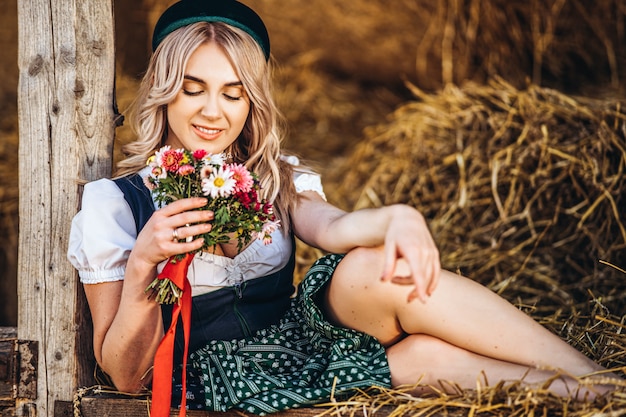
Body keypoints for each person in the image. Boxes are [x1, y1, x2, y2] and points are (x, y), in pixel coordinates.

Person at [67, 0, 622, 414]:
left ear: (251, 103)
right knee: (424, 354)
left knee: (366, 263)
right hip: (212, 371)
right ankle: (588, 394)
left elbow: (332, 227)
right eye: (195, 89)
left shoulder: (273, 174)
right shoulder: (116, 204)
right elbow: (122, 374)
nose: (214, 111)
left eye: (234, 93)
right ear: (165, 90)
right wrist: (144, 262)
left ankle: (606, 384)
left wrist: (395, 218)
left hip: (296, 339)